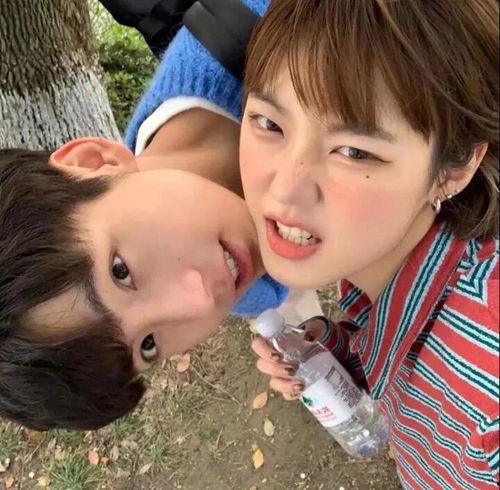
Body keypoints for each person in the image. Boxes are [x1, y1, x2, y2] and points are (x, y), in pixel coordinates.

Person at [0, 0, 290, 431]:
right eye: (149, 346)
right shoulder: (249, 287)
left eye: (121, 272)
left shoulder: (276, 17)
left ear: (93, 162)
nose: (201, 301)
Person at [242, 1, 499, 488]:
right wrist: (332, 353)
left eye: (355, 151)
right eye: (269, 124)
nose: (284, 190)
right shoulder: (381, 264)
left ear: (453, 170)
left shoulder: (490, 393)